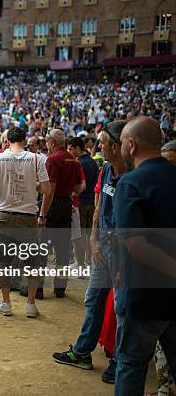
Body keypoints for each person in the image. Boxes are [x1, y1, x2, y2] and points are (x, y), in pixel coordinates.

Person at [52, 120, 128, 384]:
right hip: (102, 247)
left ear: (117, 147)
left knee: (120, 307)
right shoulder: (106, 168)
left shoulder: (133, 175)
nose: (98, 147)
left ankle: (119, 361)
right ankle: (83, 352)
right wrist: (95, 240)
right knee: (93, 300)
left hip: (124, 252)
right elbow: (99, 207)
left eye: (104, 143)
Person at [114, 116, 176, 395]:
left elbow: (135, 244)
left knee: (131, 365)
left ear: (131, 145)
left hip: (145, 295)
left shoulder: (131, 182)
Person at [0, 127, 50, 318]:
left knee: (4, 261)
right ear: (24, 139)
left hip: (4, 215)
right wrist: (32, 185)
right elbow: (46, 189)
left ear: (8, 140)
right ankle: (30, 304)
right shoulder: (37, 158)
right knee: (32, 262)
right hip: (28, 216)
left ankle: (6, 303)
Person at [41, 128, 84, 298]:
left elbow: (49, 191)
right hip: (66, 204)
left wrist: (42, 214)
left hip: (53, 205)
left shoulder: (52, 159)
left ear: (52, 142)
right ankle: (60, 287)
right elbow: (78, 187)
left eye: (46, 142)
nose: (46, 145)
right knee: (62, 248)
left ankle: (37, 288)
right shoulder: (73, 159)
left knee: (42, 247)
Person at [68, 137, 99, 267]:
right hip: (92, 201)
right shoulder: (92, 161)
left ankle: (81, 262)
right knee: (89, 233)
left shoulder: (78, 164)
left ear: (77, 148)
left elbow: (78, 185)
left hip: (81, 202)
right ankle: (88, 260)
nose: (69, 151)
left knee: (80, 235)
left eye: (70, 148)